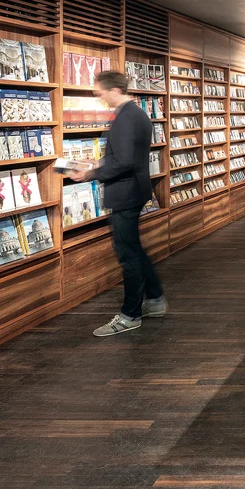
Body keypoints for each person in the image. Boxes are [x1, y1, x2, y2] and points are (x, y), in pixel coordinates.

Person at [69, 70, 165, 337]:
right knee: (135, 248)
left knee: (128, 255)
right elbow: (127, 156)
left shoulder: (125, 118)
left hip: (125, 193)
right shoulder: (138, 114)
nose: (98, 96)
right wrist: (97, 163)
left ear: (113, 90)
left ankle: (130, 315)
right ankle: (155, 299)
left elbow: (123, 162)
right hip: (134, 189)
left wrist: (91, 173)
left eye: (99, 91)